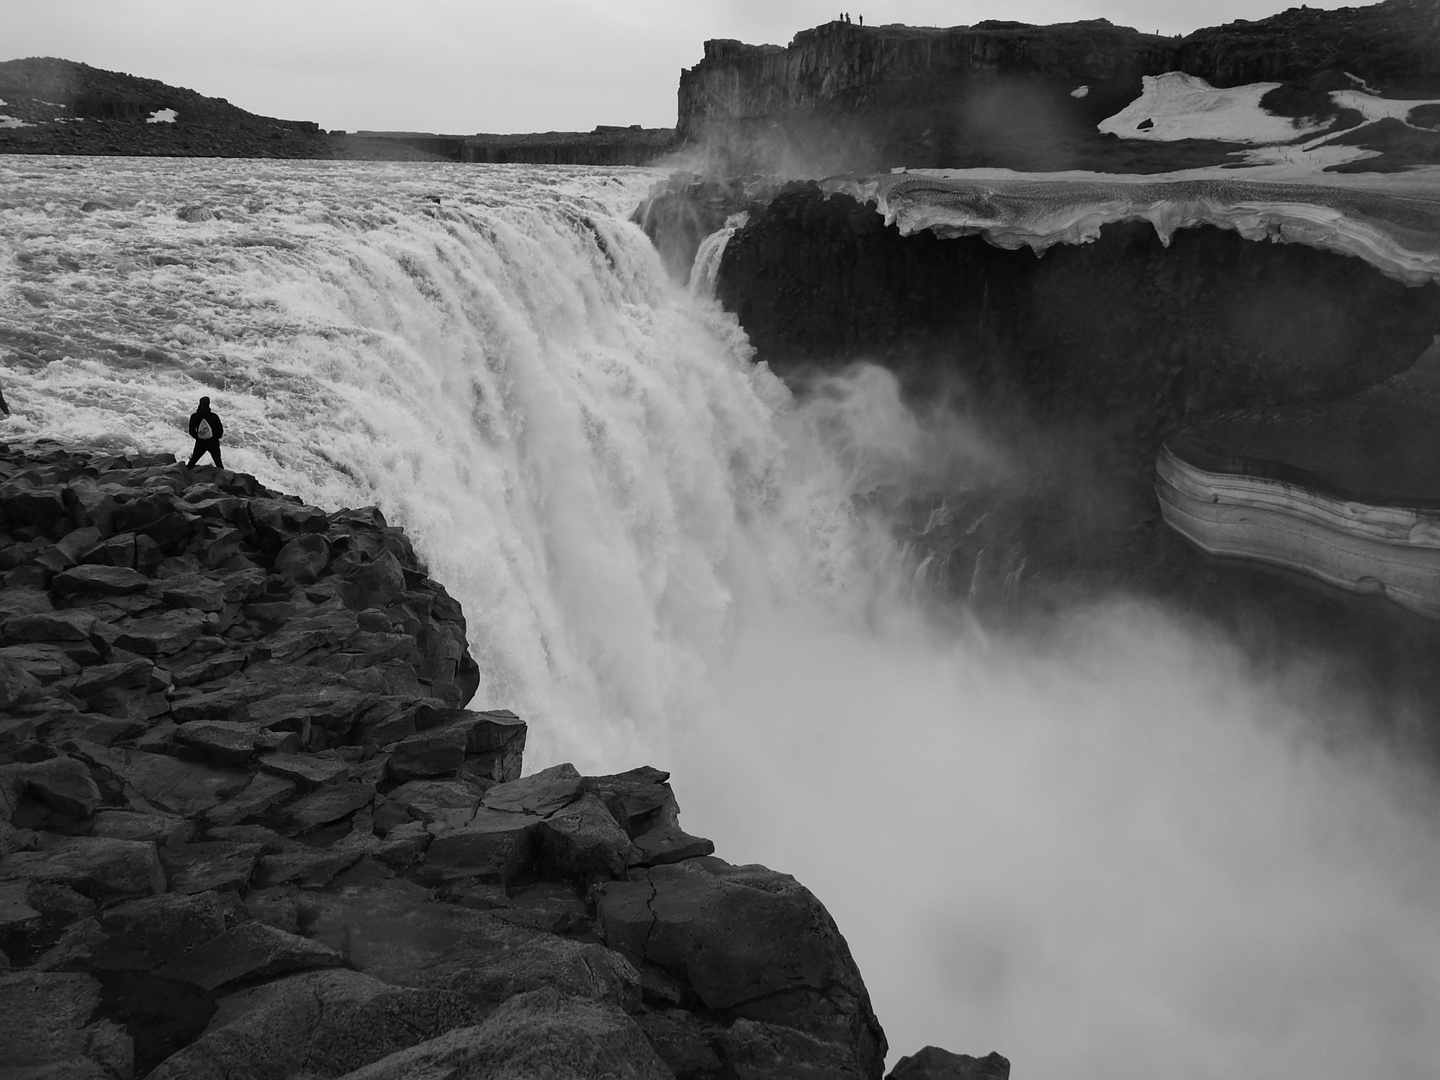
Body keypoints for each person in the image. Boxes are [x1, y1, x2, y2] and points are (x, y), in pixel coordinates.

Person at [187, 395, 224, 467]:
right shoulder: (214, 416)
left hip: (200, 443)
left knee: (192, 462)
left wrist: (199, 437)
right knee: (218, 463)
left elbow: (191, 431)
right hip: (213, 443)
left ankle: (185, 476)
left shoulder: (194, 416)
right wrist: (215, 437)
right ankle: (224, 477)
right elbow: (220, 430)